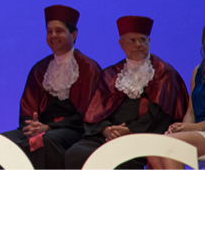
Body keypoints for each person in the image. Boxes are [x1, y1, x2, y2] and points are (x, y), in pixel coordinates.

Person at [64, 15, 188, 169]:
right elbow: (94, 113)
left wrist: (129, 130)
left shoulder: (165, 73)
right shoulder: (110, 74)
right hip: (108, 136)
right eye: (132, 40)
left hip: (141, 137)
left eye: (143, 40)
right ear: (121, 44)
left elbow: (161, 116)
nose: (138, 45)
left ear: (149, 42)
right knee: (75, 154)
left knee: (117, 159)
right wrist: (107, 130)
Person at [0, 4, 102, 169]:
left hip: (74, 130)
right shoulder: (40, 69)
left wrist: (50, 127)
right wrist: (33, 126)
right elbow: (27, 109)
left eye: (59, 31)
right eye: (49, 31)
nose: (53, 35)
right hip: (42, 128)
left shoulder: (89, 68)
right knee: (2, 143)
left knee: (48, 140)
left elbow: (88, 115)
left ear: (73, 35)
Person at [148, 25, 205, 169]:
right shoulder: (198, 71)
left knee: (170, 145)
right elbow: (191, 112)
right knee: (152, 147)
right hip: (198, 131)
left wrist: (191, 127)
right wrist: (181, 128)